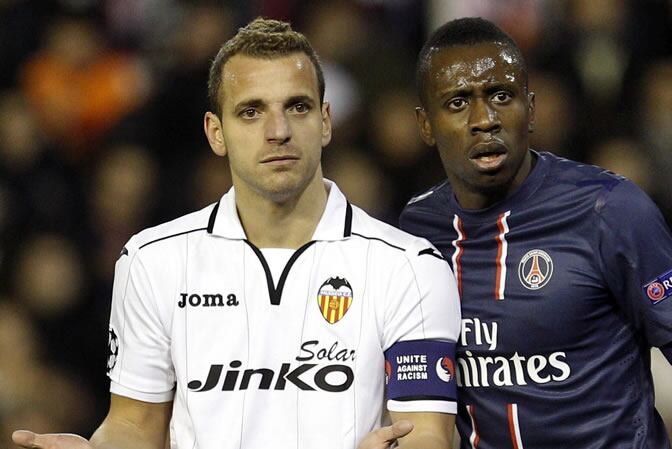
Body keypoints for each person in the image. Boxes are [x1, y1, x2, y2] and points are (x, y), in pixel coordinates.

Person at [11, 18, 461, 449]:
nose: (278, 131)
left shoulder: (408, 266)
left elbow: (427, 432)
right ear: (216, 132)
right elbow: (134, 424)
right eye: (251, 112)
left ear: (325, 122)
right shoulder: (153, 261)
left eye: (297, 107)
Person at [390, 16, 672, 449]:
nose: (484, 119)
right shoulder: (415, 234)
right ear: (425, 124)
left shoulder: (611, 211)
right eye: (459, 102)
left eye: (501, 96)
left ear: (532, 108)